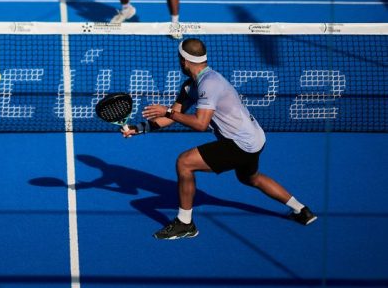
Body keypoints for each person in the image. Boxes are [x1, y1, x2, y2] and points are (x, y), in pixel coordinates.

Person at [126, 38, 317, 240]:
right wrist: (138, 128)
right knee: (250, 178)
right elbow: (172, 116)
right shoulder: (191, 86)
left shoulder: (210, 84)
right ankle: (301, 210)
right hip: (255, 138)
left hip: (240, 142)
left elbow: (199, 124)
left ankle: (185, 224)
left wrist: (168, 112)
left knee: (184, 163)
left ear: (183, 60)